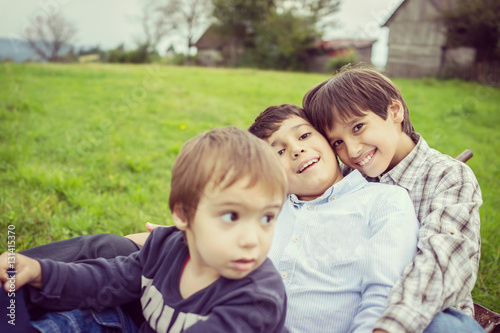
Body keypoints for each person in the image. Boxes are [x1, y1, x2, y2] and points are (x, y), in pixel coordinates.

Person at [0, 126, 289, 333]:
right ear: (183, 214)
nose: (252, 239)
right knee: (81, 316)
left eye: (267, 218)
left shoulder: (257, 297)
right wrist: (41, 272)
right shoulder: (166, 246)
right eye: (231, 215)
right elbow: (106, 279)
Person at [302, 64, 484, 333]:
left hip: (428, 315)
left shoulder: (449, 177)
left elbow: (442, 266)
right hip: (354, 306)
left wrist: (390, 326)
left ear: (394, 111)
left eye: (358, 127)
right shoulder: (345, 178)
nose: (352, 151)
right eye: (337, 142)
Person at [247, 104, 418, 332]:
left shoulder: (384, 201)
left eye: (305, 135)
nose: (296, 150)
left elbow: (384, 292)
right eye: (278, 152)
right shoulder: (266, 214)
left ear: (330, 142)